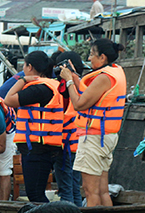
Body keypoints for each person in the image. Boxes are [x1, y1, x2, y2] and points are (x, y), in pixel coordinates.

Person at [60, 38, 126, 207]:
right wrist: (74, 76)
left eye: (91, 54)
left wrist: (68, 81)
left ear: (102, 57)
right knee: (103, 191)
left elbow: (79, 104)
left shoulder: (104, 77)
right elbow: (88, 92)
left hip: (94, 139)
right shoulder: (115, 71)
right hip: (106, 137)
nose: (89, 58)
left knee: (90, 192)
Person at [4, 50, 64, 203]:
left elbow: (8, 100)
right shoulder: (54, 85)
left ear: (30, 67)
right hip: (47, 145)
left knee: (35, 194)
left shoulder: (38, 89)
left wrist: (22, 80)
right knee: (37, 191)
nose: (23, 69)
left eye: (24, 66)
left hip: (36, 148)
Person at [53, 51, 84, 206]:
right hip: (80, 144)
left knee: (66, 188)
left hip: (66, 145)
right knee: (74, 187)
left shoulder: (66, 86)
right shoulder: (84, 84)